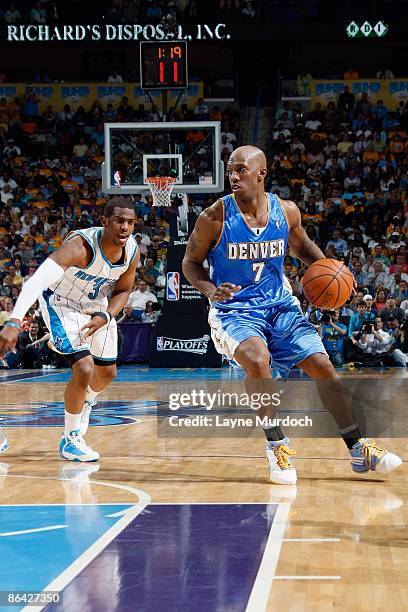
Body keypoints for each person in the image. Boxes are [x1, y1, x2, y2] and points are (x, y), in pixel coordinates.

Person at [182, 145, 401, 485]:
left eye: (241, 169)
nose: (234, 176)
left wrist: (334, 272)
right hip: (235, 311)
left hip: (280, 305)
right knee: (257, 359)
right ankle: (277, 445)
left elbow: (302, 247)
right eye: (230, 171)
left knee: (323, 366)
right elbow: (190, 263)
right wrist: (210, 290)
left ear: (261, 173)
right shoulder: (214, 217)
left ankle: (358, 448)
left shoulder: (286, 212)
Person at [0, 197, 138, 462]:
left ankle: (85, 401)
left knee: (107, 373)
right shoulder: (79, 247)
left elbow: (123, 291)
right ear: (104, 221)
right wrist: (14, 321)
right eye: (119, 221)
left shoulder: (131, 250)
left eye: (130, 222)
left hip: (96, 307)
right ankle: (71, 439)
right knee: (84, 368)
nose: (125, 227)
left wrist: (106, 315)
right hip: (61, 303)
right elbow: (35, 282)